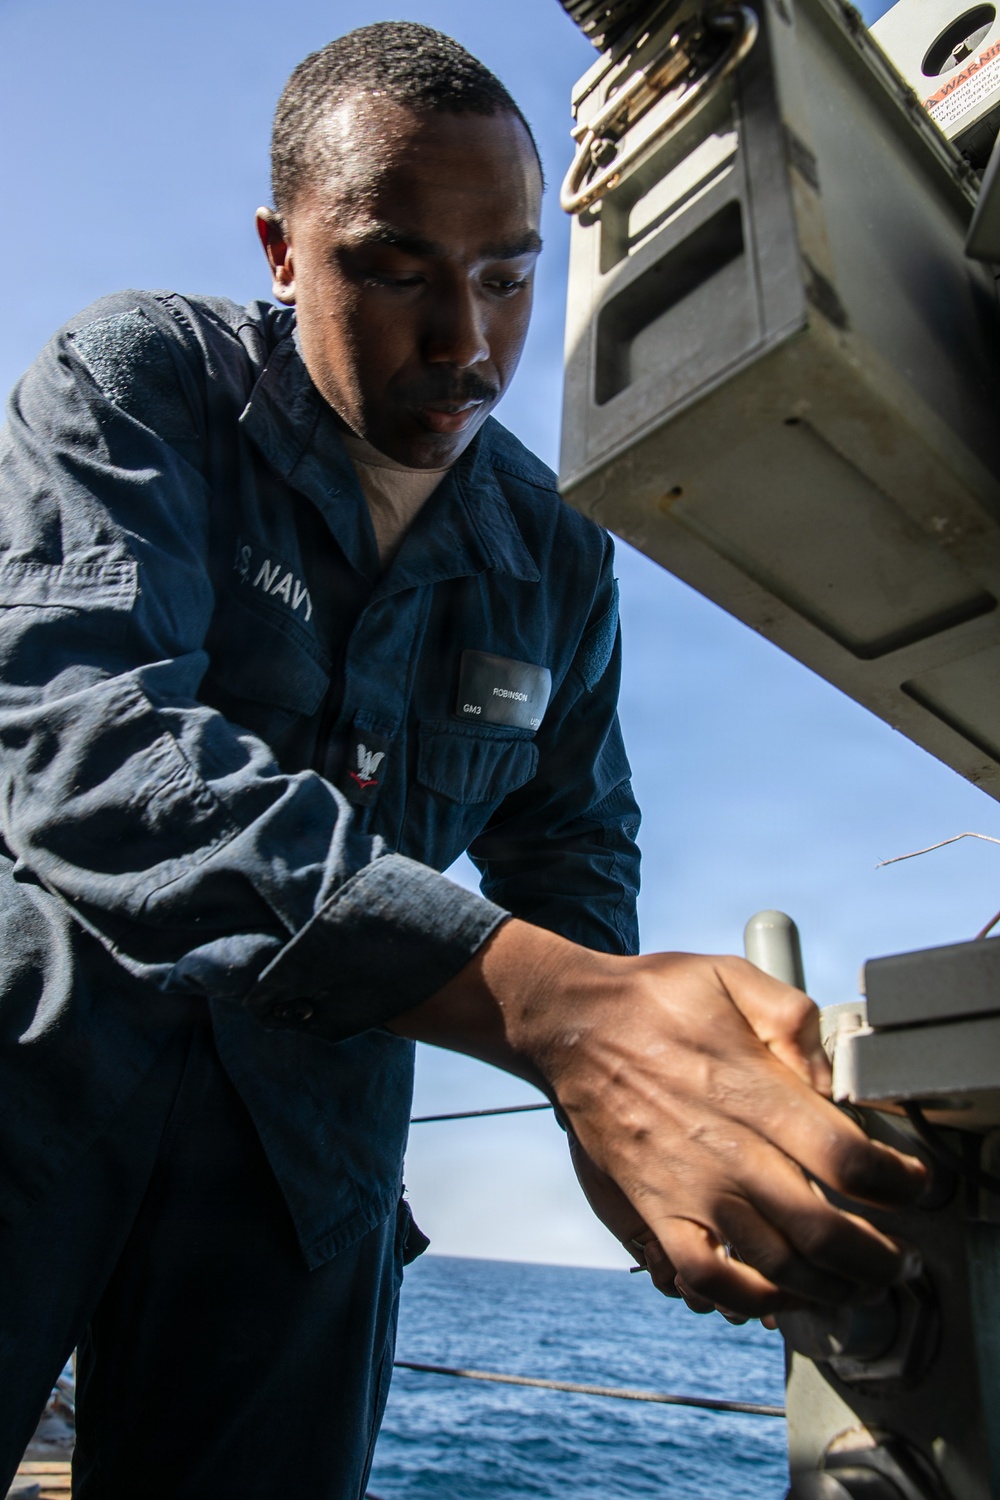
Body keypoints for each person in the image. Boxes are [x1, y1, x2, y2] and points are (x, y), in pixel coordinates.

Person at [0, 20, 925, 1500]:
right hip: (40, 1078)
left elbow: (574, 848)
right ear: (283, 249)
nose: (466, 343)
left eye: (506, 275)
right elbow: (85, 742)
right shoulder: (138, 380)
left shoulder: (555, 551)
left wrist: (603, 1095)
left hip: (311, 1168)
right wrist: (560, 1015)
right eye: (394, 268)